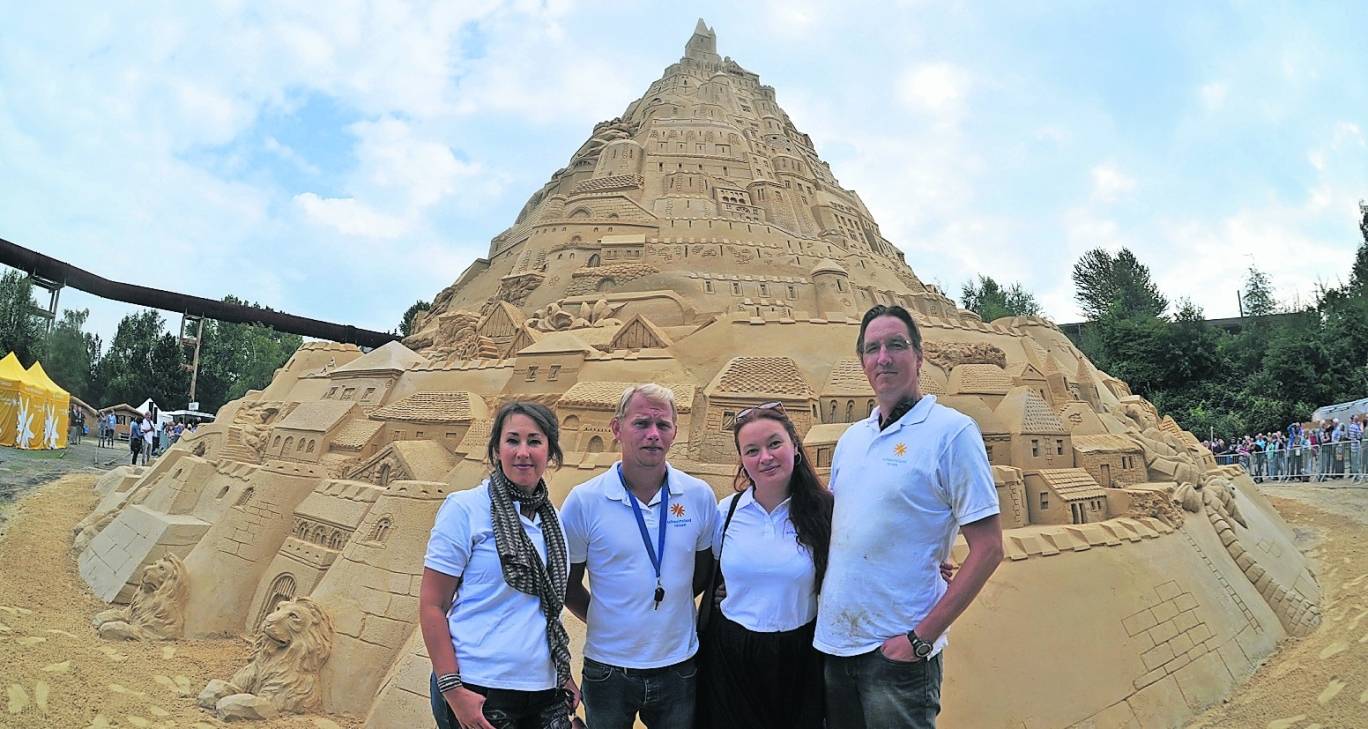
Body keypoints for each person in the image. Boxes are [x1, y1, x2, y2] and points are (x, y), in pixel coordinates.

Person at [815, 304, 1004, 729]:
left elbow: (989, 548)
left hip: (897, 654)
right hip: (836, 648)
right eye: (872, 348)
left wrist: (920, 640)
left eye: (896, 345)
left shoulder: (951, 432)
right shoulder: (851, 440)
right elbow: (846, 527)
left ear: (919, 357)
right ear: (863, 362)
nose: (883, 357)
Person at [561, 384, 718, 729]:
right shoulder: (585, 501)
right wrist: (609, 617)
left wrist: (666, 605)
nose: (653, 434)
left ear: (675, 432)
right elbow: (568, 584)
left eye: (663, 425)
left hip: (678, 667)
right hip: (608, 671)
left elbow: (703, 572)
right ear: (617, 429)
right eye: (641, 423)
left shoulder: (698, 496)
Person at [419, 401, 579, 729]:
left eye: (534, 441)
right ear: (497, 448)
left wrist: (563, 676)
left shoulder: (554, 521)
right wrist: (454, 691)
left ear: (550, 452)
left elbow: (548, 609)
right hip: (480, 687)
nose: (523, 452)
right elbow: (432, 605)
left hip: (544, 690)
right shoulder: (466, 509)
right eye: (512, 440)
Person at [695, 401, 831, 729]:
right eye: (752, 450)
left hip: (800, 655)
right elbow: (711, 574)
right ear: (742, 460)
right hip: (730, 656)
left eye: (774, 444)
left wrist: (929, 567)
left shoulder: (826, 512)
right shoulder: (724, 513)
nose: (765, 457)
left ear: (794, 447)